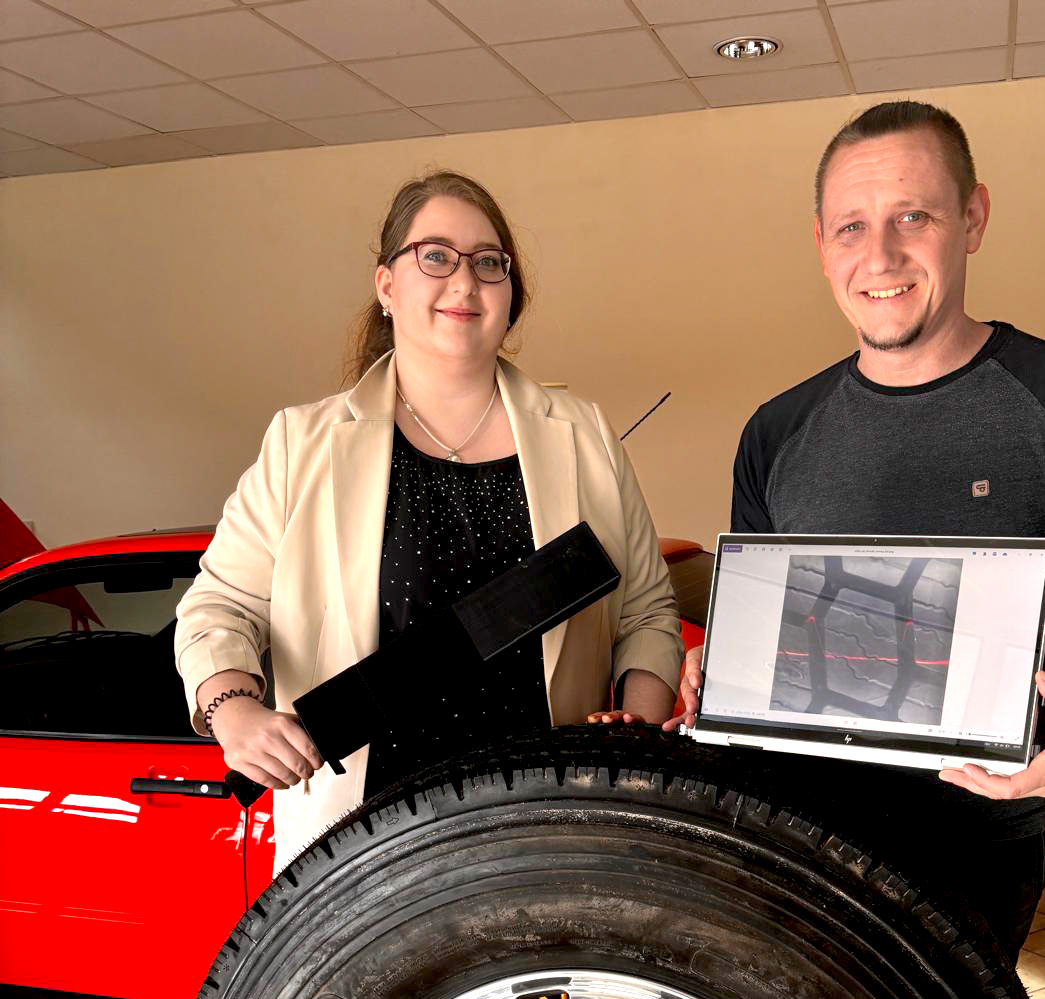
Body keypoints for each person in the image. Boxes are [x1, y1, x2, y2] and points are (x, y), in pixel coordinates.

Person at [673, 100, 1045, 962]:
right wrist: (718, 669)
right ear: (821, 243)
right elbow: (764, 637)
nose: (880, 256)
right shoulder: (776, 430)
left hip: (976, 853)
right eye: (852, 226)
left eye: (914, 216)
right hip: (789, 843)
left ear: (973, 218)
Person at [176, 171, 681, 870]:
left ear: (511, 291)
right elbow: (219, 606)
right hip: (364, 837)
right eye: (435, 255)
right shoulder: (303, 441)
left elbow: (648, 611)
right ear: (387, 285)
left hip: (549, 824)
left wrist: (638, 721)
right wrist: (233, 709)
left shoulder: (583, 432)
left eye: (488, 262)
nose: (464, 282)